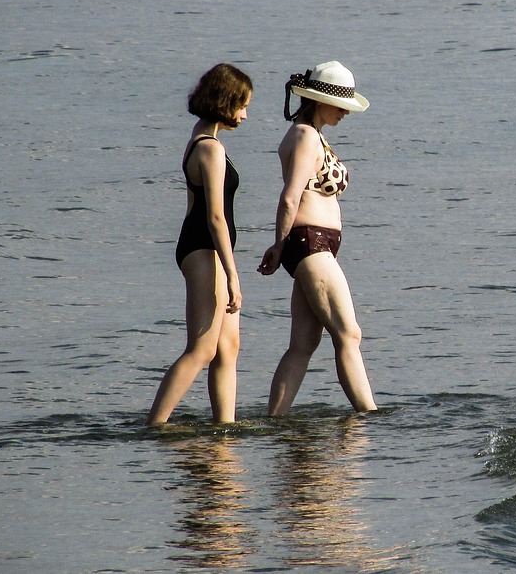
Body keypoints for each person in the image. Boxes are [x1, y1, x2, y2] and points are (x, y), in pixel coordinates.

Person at [257, 61, 378, 415]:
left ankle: (275, 421)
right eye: (341, 105)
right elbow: (290, 196)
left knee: (303, 343)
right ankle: (369, 416)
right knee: (349, 334)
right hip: (310, 243)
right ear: (318, 99)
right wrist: (279, 245)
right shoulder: (307, 136)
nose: (345, 113)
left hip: (313, 246)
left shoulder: (310, 134)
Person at [148, 63, 251, 425]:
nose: (245, 114)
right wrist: (233, 274)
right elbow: (215, 217)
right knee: (203, 348)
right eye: (242, 105)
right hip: (205, 248)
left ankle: (226, 427)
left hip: (205, 247)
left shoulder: (202, 138)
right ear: (224, 102)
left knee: (227, 347)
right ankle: (156, 425)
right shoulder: (210, 149)